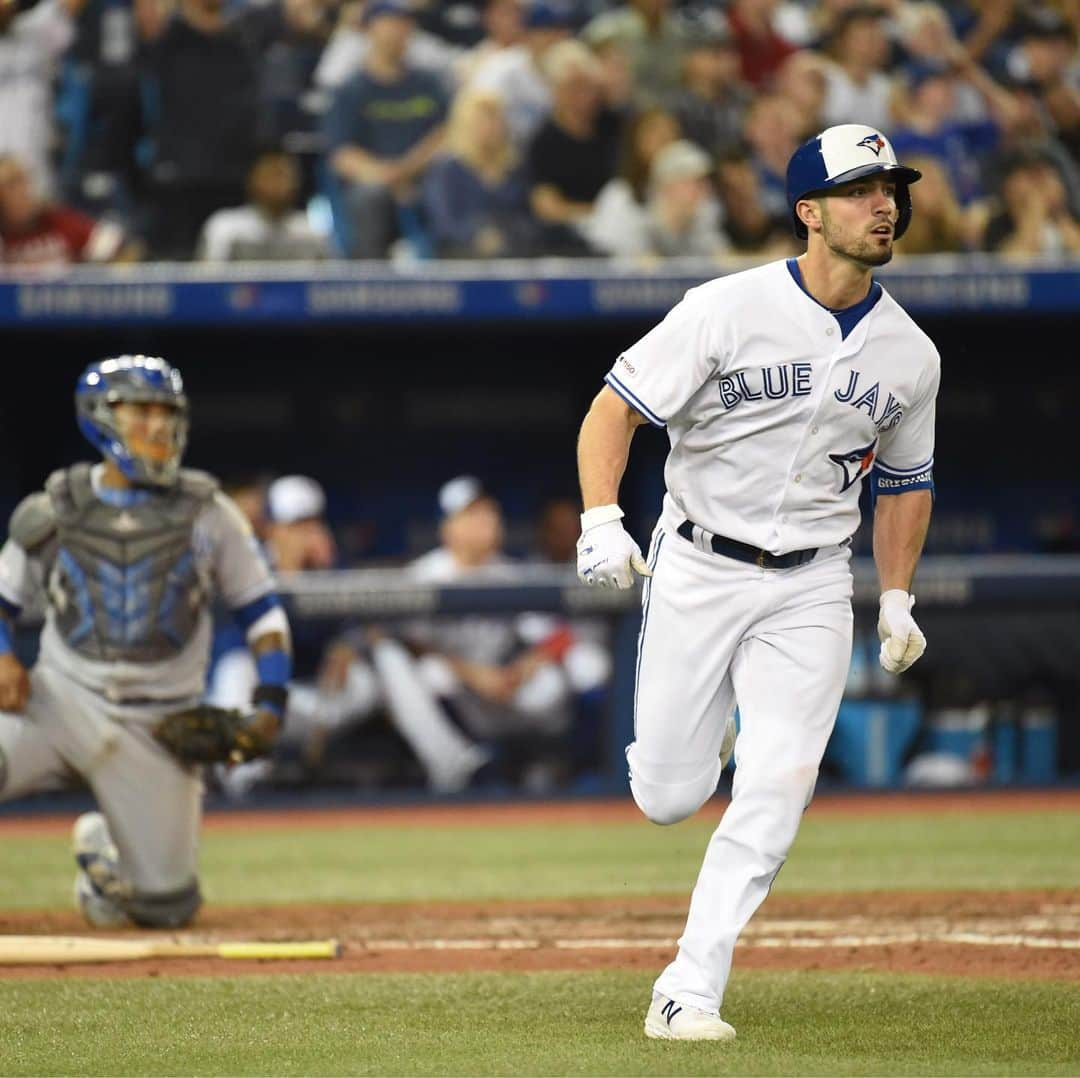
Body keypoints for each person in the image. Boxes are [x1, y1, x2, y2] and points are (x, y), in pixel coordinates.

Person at [574, 123, 939, 1039]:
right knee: (666, 796)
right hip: (698, 562)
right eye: (860, 190)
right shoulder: (725, 307)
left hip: (814, 583)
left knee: (779, 782)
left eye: (890, 186)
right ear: (808, 212)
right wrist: (600, 519)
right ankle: (715, 726)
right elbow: (614, 410)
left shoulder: (913, 354)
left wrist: (895, 593)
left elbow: (906, 481)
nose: (883, 203)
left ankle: (688, 990)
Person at [0, 355, 291, 928]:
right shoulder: (56, 507)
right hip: (59, 704)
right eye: (140, 410)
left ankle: (108, 853)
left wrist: (271, 705)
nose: (157, 426)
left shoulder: (209, 512)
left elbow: (263, 613)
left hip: (159, 725)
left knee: (167, 906)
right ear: (100, 417)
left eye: (166, 412)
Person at [322, 0, 448, 258]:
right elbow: (342, 155)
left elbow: (446, 134)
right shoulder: (351, 89)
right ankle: (369, 279)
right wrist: (388, 177)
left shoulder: (429, 83)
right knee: (369, 197)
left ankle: (458, 272)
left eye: (404, 23)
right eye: (390, 22)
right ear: (369, 28)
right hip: (372, 182)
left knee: (448, 183)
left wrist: (408, 169)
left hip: (424, 177)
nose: (398, 30)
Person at [0, 152, 137, 266]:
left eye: (24, 182)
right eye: (11, 185)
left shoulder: (56, 220)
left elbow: (112, 243)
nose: (23, 192)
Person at [196, 149, 332, 262]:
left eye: (284, 176)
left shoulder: (312, 230)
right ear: (252, 180)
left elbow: (328, 285)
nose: (278, 184)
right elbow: (207, 282)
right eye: (271, 175)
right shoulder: (224, 226)